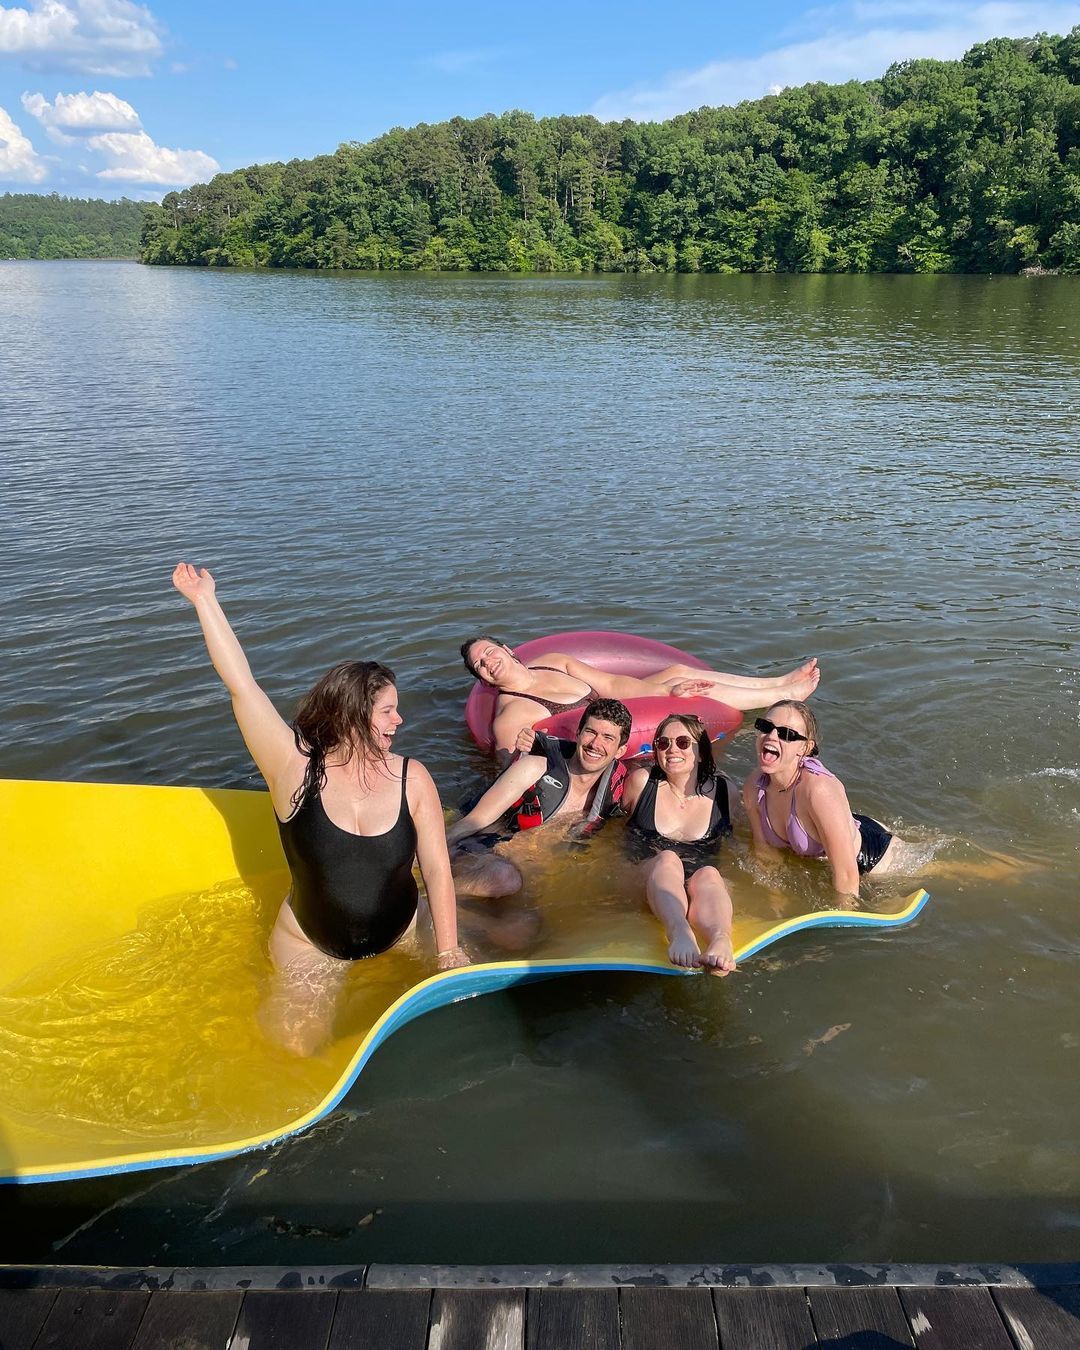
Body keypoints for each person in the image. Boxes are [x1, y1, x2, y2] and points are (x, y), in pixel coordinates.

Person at [172, 562, 468, 1056]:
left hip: (403, 929)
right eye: (388, 710)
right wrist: (205, 602)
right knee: (292, 1053)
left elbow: (436, 869)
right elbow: (243, 687)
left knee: (488, 961)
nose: (400, 719)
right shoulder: (292, 769)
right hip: (312, 945)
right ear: (353, 715)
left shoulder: (411, 776)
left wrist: (448, 951)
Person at [461, 635, 820, 762]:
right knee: (685, 689)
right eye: (480, 664)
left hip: (622, 703)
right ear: (482, 678)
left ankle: (777, 683)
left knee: (679, 672)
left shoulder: (553, 662)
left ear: (507, 649)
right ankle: (785, 695)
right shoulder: (511, 713)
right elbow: (509, 764)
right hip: (610, 731)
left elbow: (611, 682)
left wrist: (662, 691)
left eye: (490, 652)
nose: (489, 662)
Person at [447, 698, 633, 899]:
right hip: (484, 854)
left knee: (523, 918)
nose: (595, 744)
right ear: (578, 733)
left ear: (620, 750)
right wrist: (435, 856)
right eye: (590, 732)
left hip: (527, 876)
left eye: (608, 738)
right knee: (503, 878)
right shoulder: (535, 769)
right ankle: (428, 898)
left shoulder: (615, 793)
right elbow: (475, 820)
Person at [741, 699, 896, 903]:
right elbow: (764, 850)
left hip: (874, 859)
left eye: (786, 734)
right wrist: (775, 898)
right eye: (766, 726)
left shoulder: (818, 790)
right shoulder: (753, 787)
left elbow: (846, 874)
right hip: (829, 823)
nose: (771, 736)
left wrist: (844, 914)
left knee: (936, 873)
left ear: (805, 748)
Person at [622, 713, 736, 976]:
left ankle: (721, 938)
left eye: (683, 742)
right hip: (648, 878)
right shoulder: (641, 783)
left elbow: (737, 841)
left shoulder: (724, 792)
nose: (672, 749)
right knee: (668, 859)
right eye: (663, 743)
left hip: (700, 886)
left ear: (701, 752)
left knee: (709, 873)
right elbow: (612, 827)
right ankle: (679, 931)